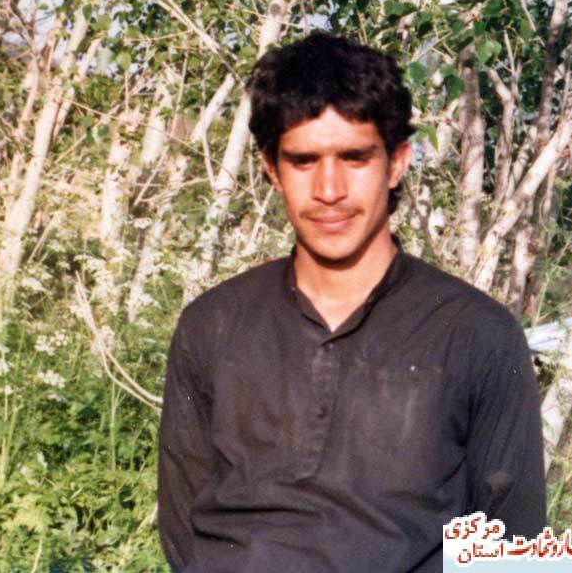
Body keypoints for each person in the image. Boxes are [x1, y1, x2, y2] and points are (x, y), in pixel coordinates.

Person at [157, 32, 546, 573]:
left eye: (355, 157)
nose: (329, 189)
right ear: (271, 169)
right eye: (303, 160)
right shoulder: (214, 324)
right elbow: (183, 530)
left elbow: (512, 547)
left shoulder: (477, 334)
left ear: (397, 163)